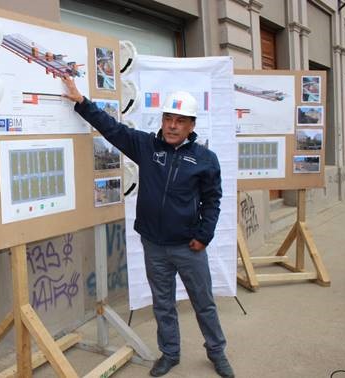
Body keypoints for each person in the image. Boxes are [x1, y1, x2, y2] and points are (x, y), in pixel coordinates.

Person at [61, 77, 234, 378]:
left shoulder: (206, 160)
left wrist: (203, 235)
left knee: (203, 304)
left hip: (188, 247)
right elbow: (112, 129)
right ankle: (170, 353)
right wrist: (81, 102)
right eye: (168, 118)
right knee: (162, 304)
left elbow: (213, 201)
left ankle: (217, 352)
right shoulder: (146, 146)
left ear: (191, 125)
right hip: (154, 244)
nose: (172, 125)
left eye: (180, 121)